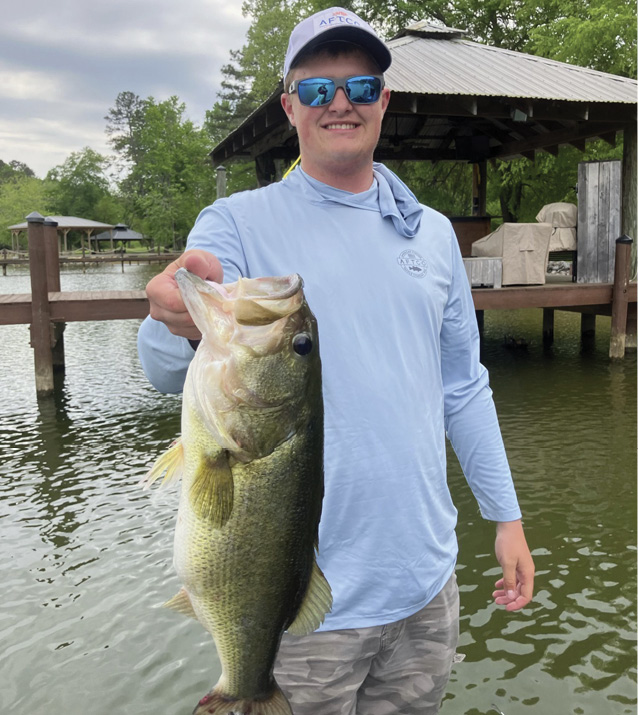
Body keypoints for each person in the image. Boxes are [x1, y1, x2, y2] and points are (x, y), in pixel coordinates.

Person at [137, 6, 535, 714]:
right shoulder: (237, 222)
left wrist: (507, 517)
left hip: (426, 586)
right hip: (298, 602)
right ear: (290, 107)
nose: (341, 103)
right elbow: (168, 367)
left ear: (385, 100)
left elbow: (464, 387)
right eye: (319, 89)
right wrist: (173, 318)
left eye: (361, 86)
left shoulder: (432, 234)